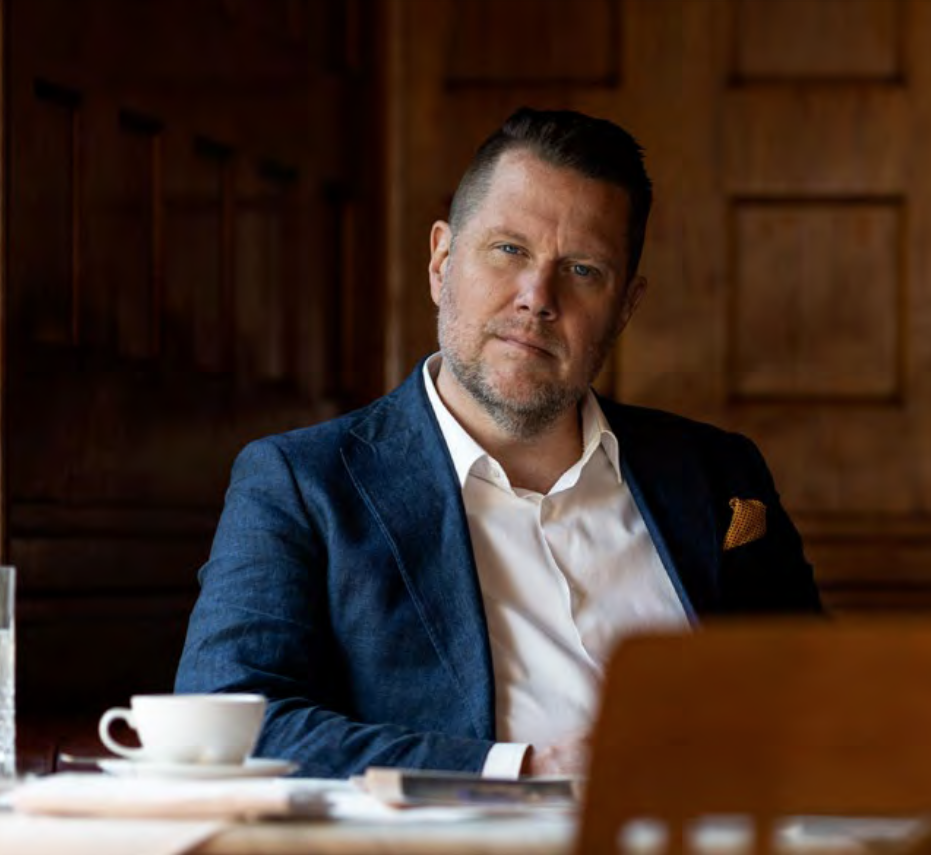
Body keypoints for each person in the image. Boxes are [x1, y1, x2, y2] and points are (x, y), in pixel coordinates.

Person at [175, 107, 821, 779]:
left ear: (626, 306)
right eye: (509, 250)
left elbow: (822, 699)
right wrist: (521, 769)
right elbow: (228, 721)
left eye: (582, 270)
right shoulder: (301, 483)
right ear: (441, 261)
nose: (537, 297)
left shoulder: (719, 473)